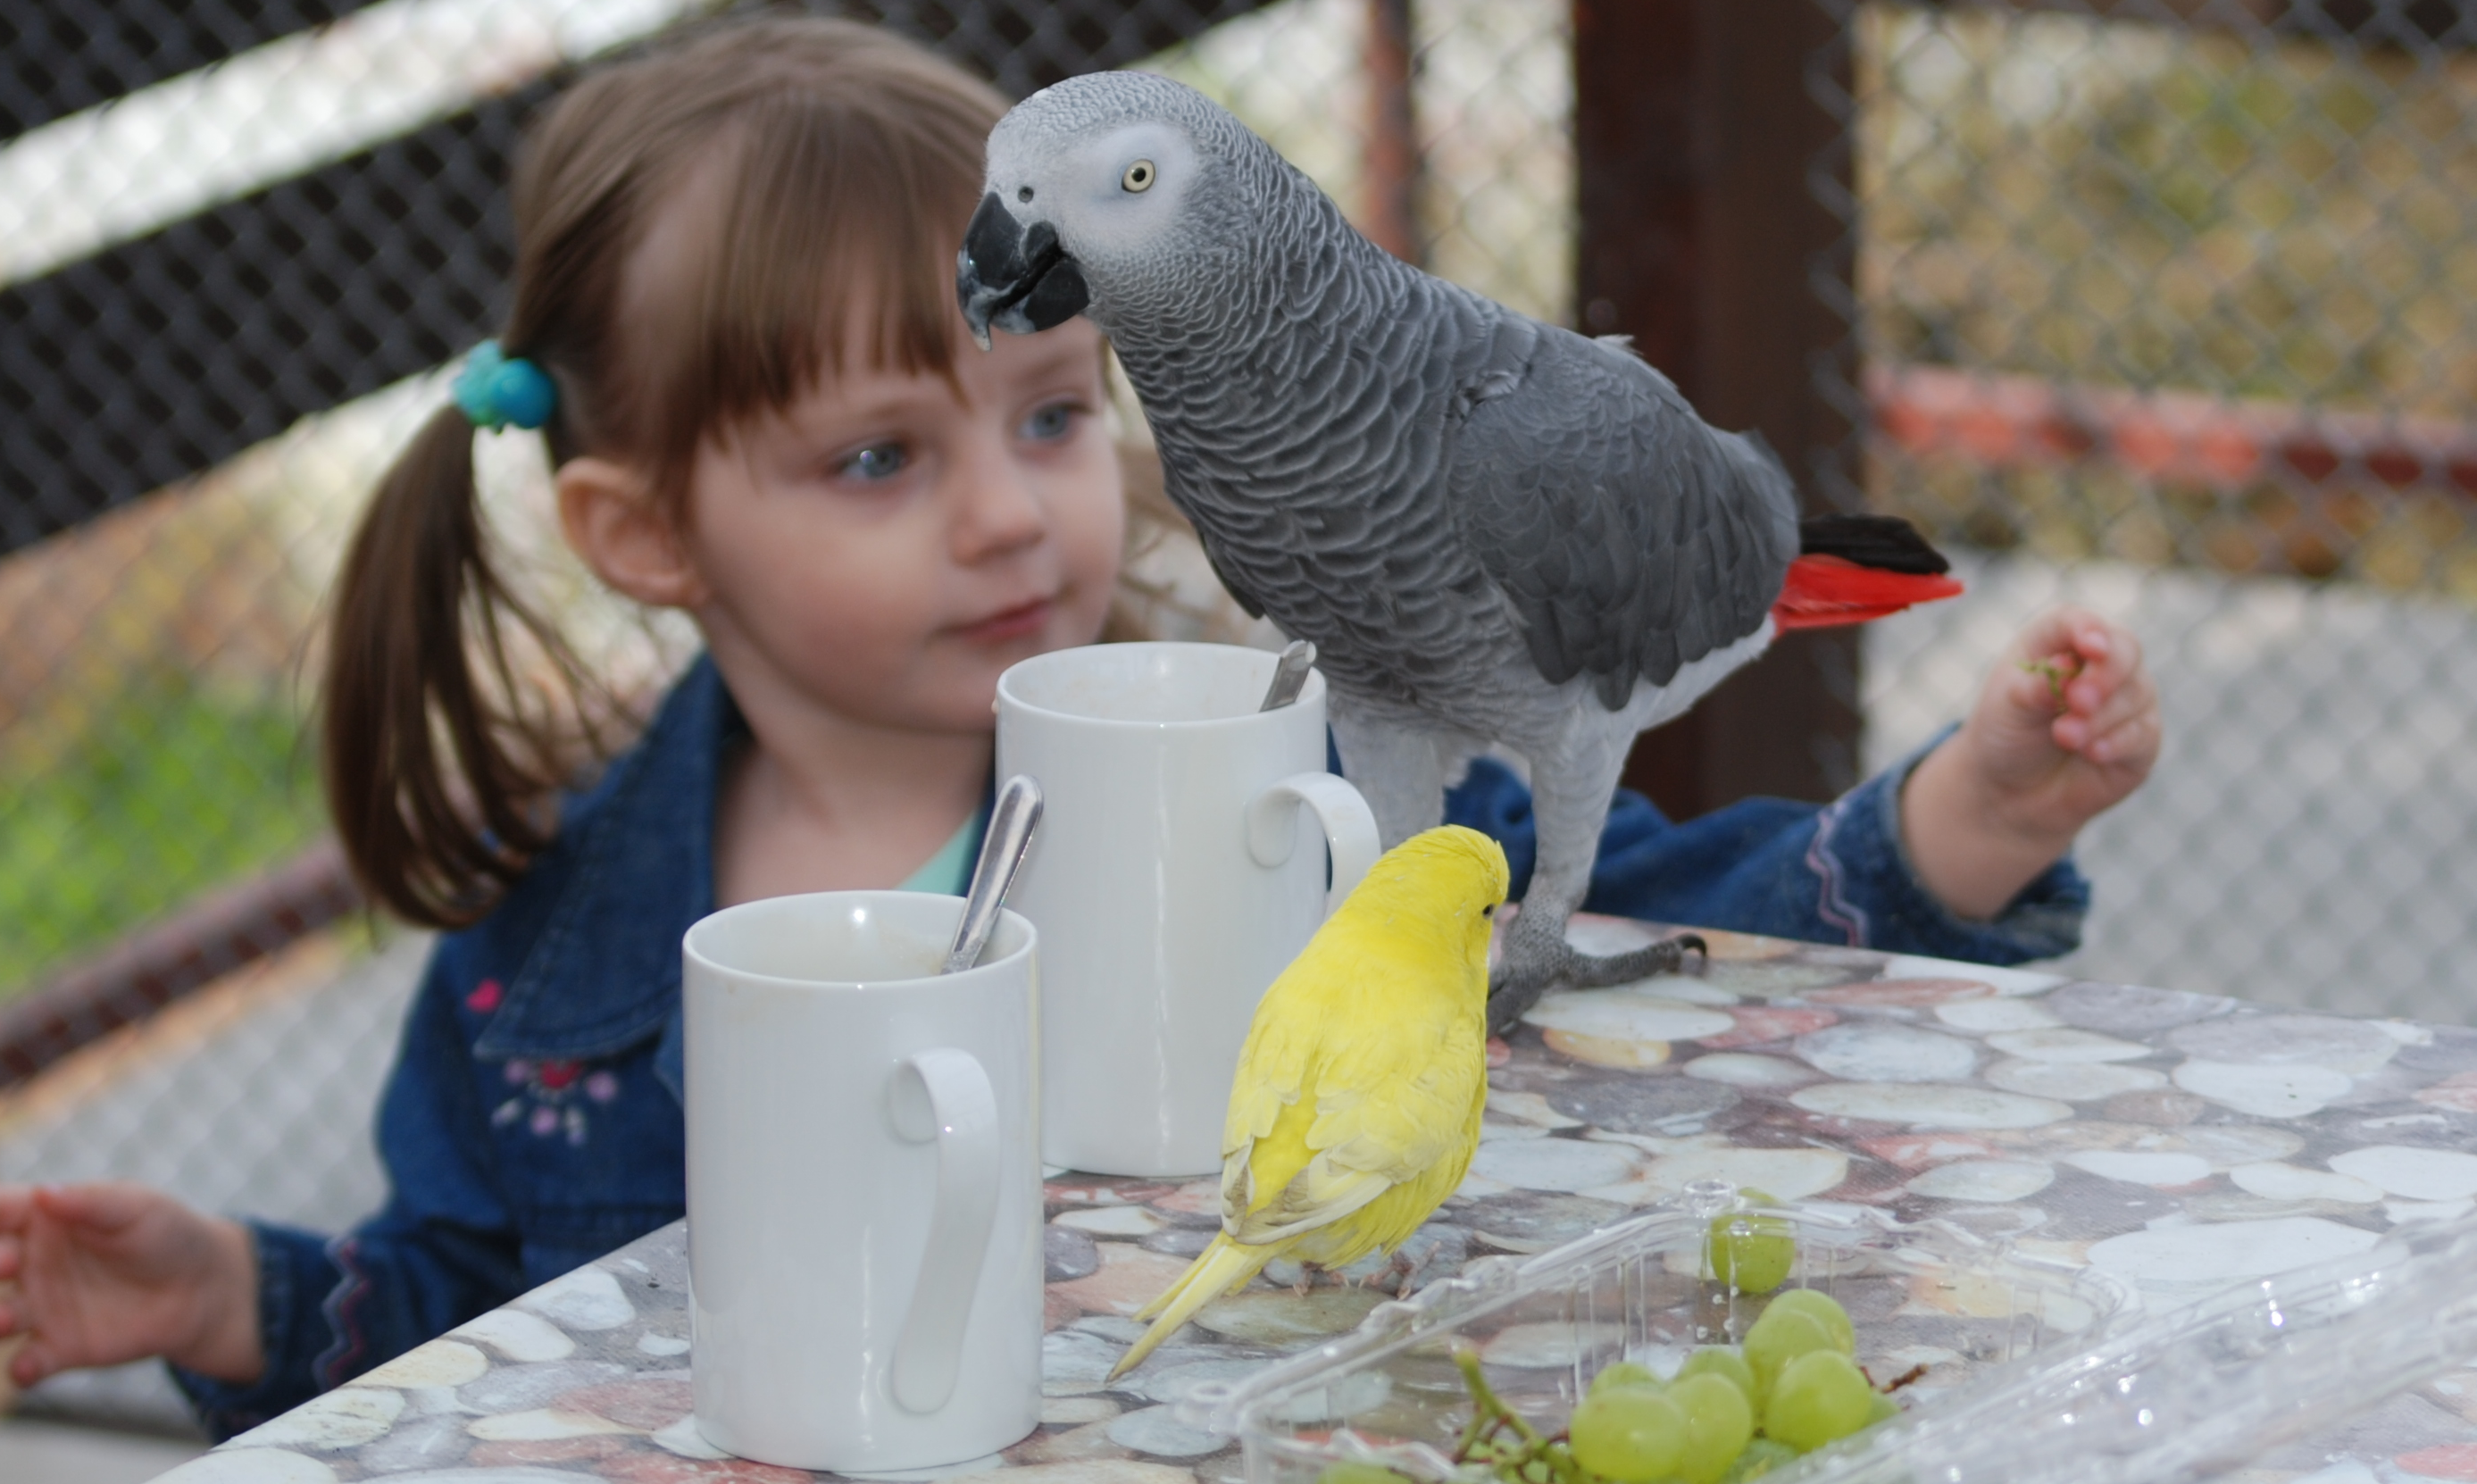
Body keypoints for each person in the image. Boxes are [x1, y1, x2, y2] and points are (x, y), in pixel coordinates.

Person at [0, 15, 2159, 1439]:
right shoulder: (536, 967)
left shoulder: (1263, 780)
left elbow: (1619, 916)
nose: (1004, 507)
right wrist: (221, 1300)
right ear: (639, 535)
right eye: (873, 462)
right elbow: (465, 1322)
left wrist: (1967, 813)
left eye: (1050, 414)